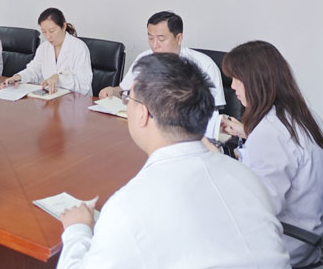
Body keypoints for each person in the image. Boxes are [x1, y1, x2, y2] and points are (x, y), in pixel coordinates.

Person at [57, 53, 290, 268]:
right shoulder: (247, 177)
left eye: (129, 99)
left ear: (143, 114)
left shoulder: (129, 206)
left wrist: (78, 229)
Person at [205, 40, 323, 267]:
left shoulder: (270, 133)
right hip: (309, 233)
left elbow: (256, 210)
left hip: (283, 246)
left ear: (256, 81)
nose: (232, 86)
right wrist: (247, 132)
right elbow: (287, 151)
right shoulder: (301, 115)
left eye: (236, 79)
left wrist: (213, 157)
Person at [99, 11, 225, 136]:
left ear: (179, 38)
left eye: (161, 39)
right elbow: (123, 91)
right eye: (150, 38)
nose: (154, 45)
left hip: (186, 133)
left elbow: (212, 112)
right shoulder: (144, 59)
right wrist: (112, 91)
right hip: (145, 129)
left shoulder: (204, 65)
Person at [0, 8, 92, 95]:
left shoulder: (78, 48)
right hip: (52, 98)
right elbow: (33, 70)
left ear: (64, 26)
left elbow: (84, 85)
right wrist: (18, 77)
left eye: (51, 31)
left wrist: (59, 78)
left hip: (76, 102)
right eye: (44, 32)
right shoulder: (44, 48)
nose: (48, 36)